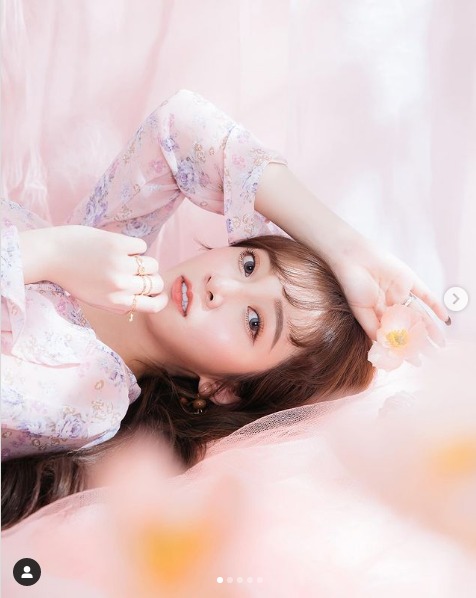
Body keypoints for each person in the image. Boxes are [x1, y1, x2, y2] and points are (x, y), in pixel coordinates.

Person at [1, 90, 448, 527]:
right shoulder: (111, 243)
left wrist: (50, 253)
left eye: (254, 321)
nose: (222, 286)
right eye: (249, 264)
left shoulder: (91, 396)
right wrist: (345, 246)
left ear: (224, 389)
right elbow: (181, 124)